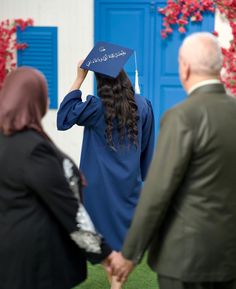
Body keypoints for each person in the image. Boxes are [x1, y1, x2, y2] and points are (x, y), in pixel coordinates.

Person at [110, 32, 236, 289]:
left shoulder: (182, 116)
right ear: (220, 67)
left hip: (185, 259)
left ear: (185, 68)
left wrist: (130, 254)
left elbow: (157, 192)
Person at [0, 67, 113, 289]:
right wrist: (106, 255)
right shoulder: (34, 151)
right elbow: (70, 209)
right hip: (33, 264)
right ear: (37, 101)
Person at [57, 43, 155, 289]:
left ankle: (114, 278)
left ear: (100, 83)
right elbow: (148, 148)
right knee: (124, 237)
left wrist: (79, 78)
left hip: (97, 186)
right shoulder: (143, 105)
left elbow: (63, 118)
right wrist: (142, 175)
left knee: (99, 236)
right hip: (128, 183)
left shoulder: (94, 107)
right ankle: (117, 282)